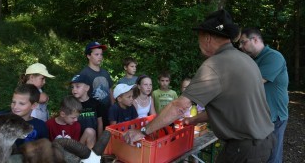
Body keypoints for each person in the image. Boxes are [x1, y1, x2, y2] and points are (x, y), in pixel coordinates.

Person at [123, 9, 275, 163]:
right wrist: (194, 119)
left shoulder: (215, 65)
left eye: (199, 37)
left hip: (244, 150)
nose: (198, 42)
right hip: (265, 143)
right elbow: (231, 108)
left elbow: (179, 106)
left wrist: (143, 131)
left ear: (207, 37)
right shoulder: (247, 60)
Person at [239, 27, 289, 163]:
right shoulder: (252, 60)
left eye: (243, 42)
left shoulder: (274, 57)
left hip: (274, 117)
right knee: (256, 154)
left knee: (272, 157)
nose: (240, 46)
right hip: (259, 116)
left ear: (254, 39)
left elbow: (251, 83)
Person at [79, 41, 114, 128]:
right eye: (96, 54)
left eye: (101, 54)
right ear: (88, 56)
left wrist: (113, 107)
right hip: (93, 114)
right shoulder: (84, 74)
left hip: (107, 112)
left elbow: (110, 90)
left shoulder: (105, 72)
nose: (100, 57)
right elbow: (80, 96)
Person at [71, 74, 104, 149]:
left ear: (87, 88)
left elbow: (100, 123)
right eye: (72, 87)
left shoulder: (95, 103)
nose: (74, 89)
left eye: (77, 86)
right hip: (77, 141)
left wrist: (100, 141)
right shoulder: (71, 104)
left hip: (92, 139)